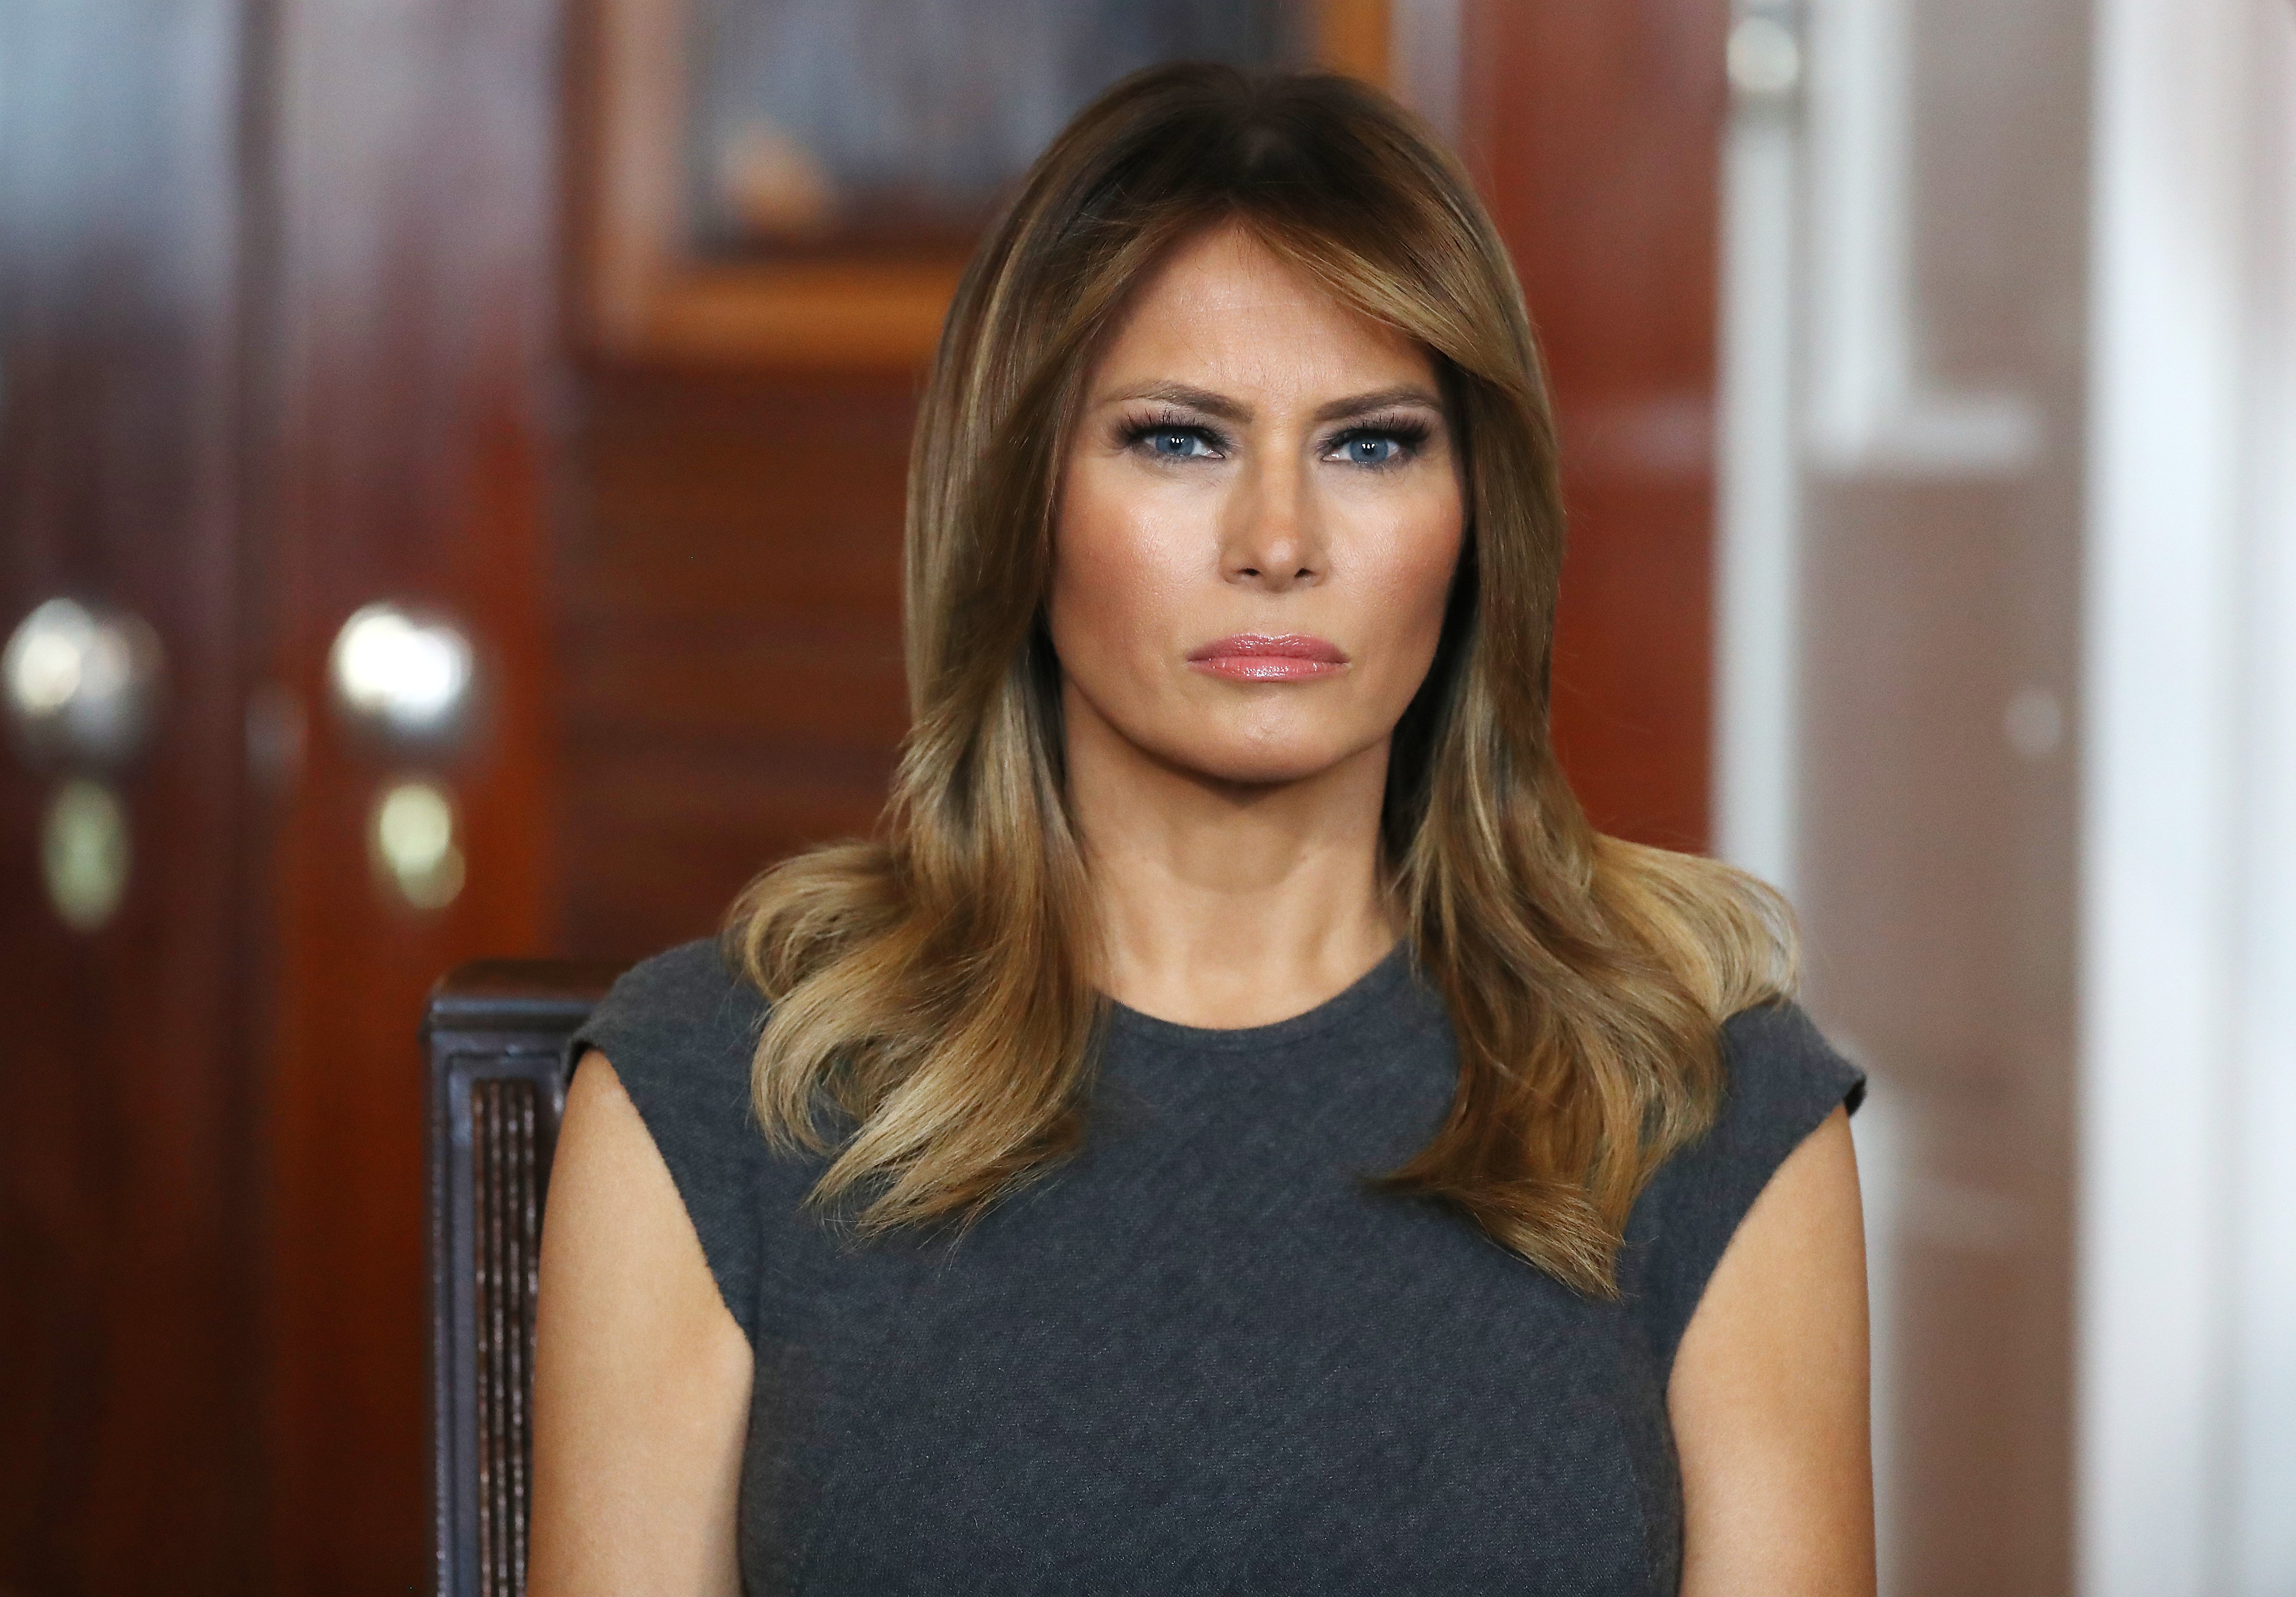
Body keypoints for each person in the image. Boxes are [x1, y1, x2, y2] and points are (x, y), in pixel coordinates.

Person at [529, 63, 1872, 1597]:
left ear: (1477, 516)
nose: (1280, 543)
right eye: (1180, 439)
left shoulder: (1700, 1087)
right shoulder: (723, 1090)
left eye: (1372, 444)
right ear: (1018, 494)